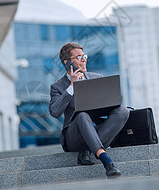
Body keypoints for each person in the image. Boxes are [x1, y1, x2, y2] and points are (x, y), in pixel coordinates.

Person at [49, 42, 129, 178]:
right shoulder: (57, 86)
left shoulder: (96, 78)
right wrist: (72, 87)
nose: (84, 60)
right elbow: (54, 112)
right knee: (82, 115)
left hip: (98, 131)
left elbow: (109, 106)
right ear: (67, 63)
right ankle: (106, 161)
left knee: (123, 111)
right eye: (79, 57)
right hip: (74, 137)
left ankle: (87, 151)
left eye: (84, 56)